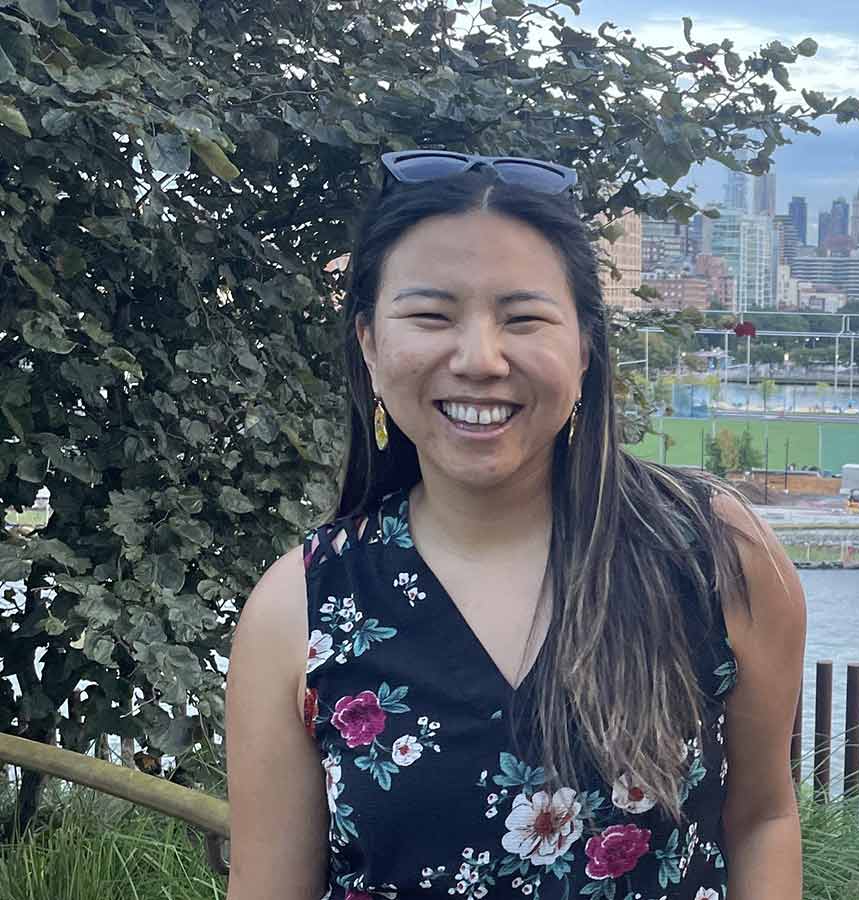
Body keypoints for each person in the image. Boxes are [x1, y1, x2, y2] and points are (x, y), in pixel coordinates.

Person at [225, 151, 806, 900]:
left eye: (523, 318)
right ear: (368, 343)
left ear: (586, 345)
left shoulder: (713, 555)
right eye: (431, 316)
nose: (480, 359)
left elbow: (762, 818)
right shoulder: (300, 608)